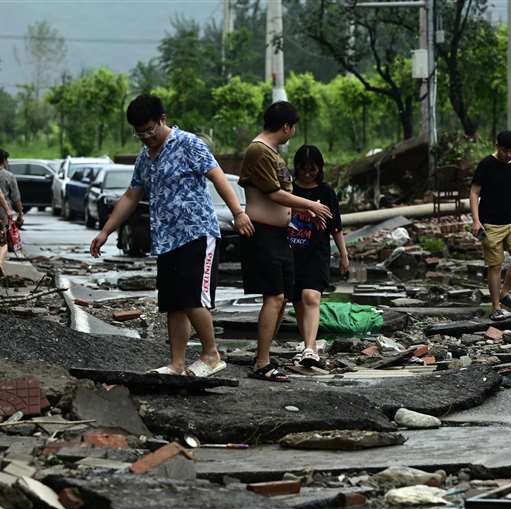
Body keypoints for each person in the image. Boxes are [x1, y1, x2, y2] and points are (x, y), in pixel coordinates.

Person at [90, 94, 254, 376]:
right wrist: (106, 230)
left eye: (150, 130)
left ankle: (211, 354)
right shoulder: (145, 156)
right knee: (173, 304)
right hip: (166, 239)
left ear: (162, 120)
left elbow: (217, 175)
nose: (145, 137)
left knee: (192, 298)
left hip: (197, 233)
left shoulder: (189, 143)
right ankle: (176, 364)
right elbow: (132, 195)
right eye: (139, 132)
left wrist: (238, 212)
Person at [238, 102, 332, 382]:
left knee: (282, 299)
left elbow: (281, 197)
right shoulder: (258, 151)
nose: (293, 133)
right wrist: (310, 205)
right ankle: (262, 361)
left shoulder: (272, 153)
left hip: (280, 235)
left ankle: (263, 356)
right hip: (263, 233)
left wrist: (303, 212)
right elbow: (275, 194)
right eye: (293, 128)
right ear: (286, 127)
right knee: (275, 296)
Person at [288, 145, 349, 368]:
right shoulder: (289, 190)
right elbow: (280, 211)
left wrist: (343, 254)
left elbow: (336, 227)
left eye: (312, 169)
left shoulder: (326, 192)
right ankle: (308, 345)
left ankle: (310, 348)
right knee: (298, 302)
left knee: (311, 296)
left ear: (319, 168)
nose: (307, 173)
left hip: (317, 253)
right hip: (292, 253)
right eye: (303, 169)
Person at [470, 130, 511, 321]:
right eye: (505, 151)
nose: (508, 155)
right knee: (495, 266)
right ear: (497, 146)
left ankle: (505, 291)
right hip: (491, 224)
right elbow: (474, 193)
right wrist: (476, 220)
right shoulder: (486, 165)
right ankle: (496, 308)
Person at [0, 149, 22, 275]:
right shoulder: (9, 176)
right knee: (2, 242)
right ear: (3, 160)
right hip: (2, 213)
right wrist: (19, 213)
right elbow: (16, 198)